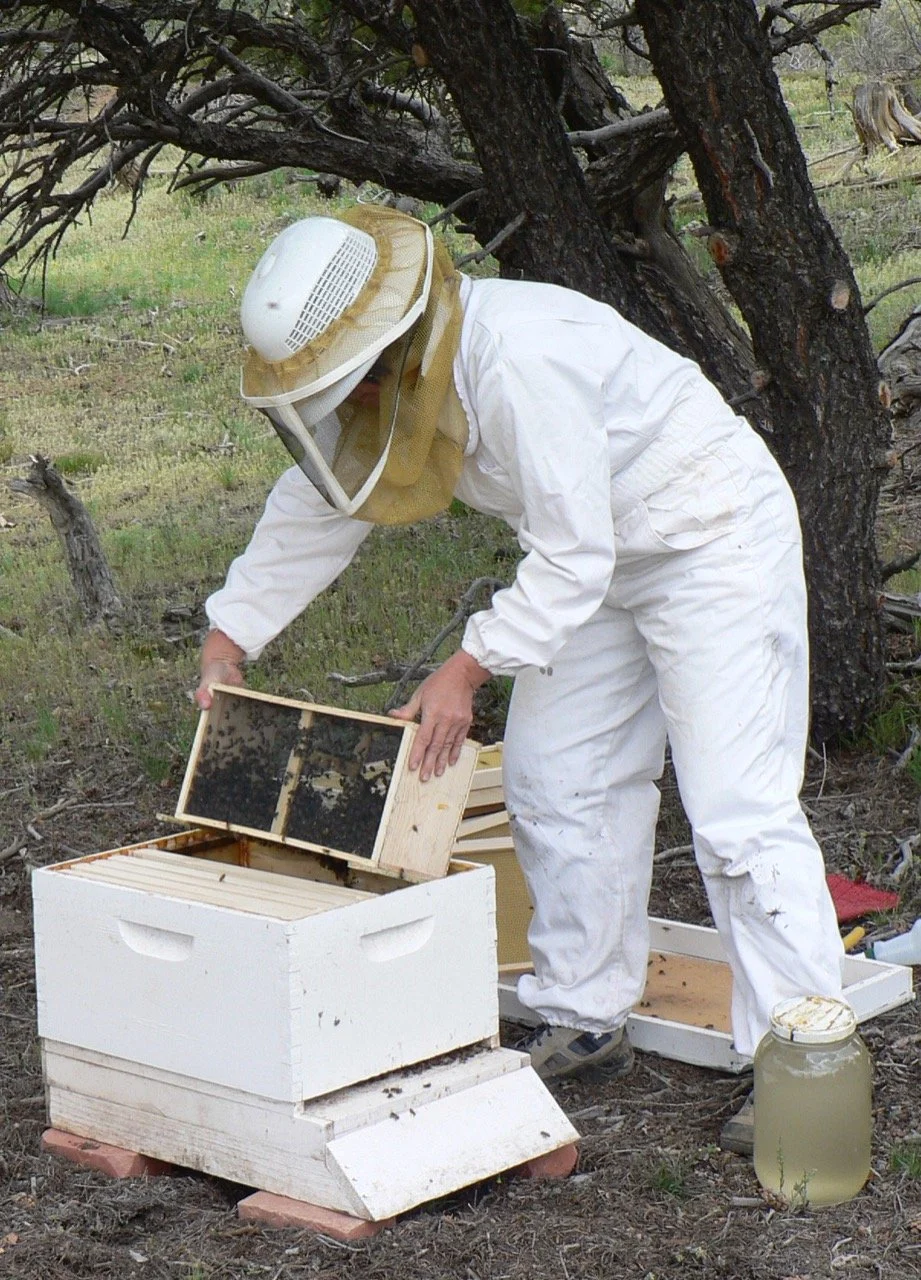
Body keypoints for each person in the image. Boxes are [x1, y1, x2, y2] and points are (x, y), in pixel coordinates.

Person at [196, 204, 845, 1090]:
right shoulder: (403, 382)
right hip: (591, 563)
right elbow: (319, 499)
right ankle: (584, 1014)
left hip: (708, 535)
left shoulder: (518, 357)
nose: (345, 405)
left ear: (388, 345)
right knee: (557, 778)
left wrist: (466, 669)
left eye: (346, 382)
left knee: (737, 809)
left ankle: (797, 1060)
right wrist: (231, 634)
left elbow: (574, 556)